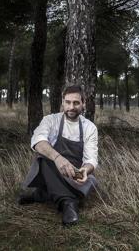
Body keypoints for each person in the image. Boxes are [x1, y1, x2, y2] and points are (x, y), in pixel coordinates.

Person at [18, 84, 98, 226]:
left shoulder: (89, 127)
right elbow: (38, 142)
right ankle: (68, 203)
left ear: (83, 104)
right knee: (44, 158)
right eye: (67, 102)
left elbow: (91, 158)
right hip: (52, 168)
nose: (71, 107)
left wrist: (85, 170)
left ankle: (42, 195)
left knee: (89, 179)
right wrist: (57, 158)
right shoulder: (51, 120)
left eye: (76, 103)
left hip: (73, 176)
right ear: (62, 102)